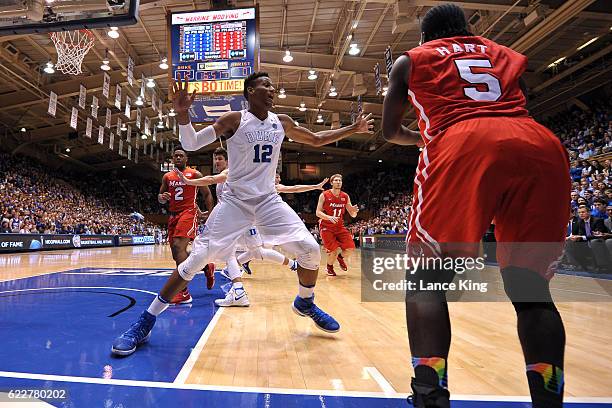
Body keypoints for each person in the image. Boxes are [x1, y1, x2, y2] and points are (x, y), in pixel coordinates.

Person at [382, 4, 570, 407]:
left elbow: (390, 130)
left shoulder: (413, 58)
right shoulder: (501, 51)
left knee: (426, 281)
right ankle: (550, 401)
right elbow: (517, 98)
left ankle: (430, 397)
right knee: (531, 290)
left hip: (462, 144)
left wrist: (427, 138)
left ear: (424, 37)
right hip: (537, 144)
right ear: (467, 29)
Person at [111, 71, 373, 356]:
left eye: (273, 85)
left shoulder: (281, 122)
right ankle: (145, 321)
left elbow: (317, 139)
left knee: (310, 250)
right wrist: (183, 114)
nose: (272, 89)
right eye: (266, 85)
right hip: (235, 202)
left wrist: (352, 128)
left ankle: (305, 302)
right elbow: (192, 144)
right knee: (195, 259)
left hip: (268, 201)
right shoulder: (235, 120)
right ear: (250, 91)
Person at [158, 147, 215, 304]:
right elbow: (160, 197)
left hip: (189, 212)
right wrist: (162, 197)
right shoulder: (167, 177)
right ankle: (206, 266)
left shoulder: (195, 174)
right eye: (175, 156)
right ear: (172, 159)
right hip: (173, 215)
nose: (178, 158)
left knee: (178, 247)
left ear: (186, 159)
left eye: (181, 156)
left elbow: (208, 194)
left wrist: (210, 213)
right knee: (177, 254)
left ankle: (183, 291)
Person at [315, 174, 359, 276]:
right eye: (336, 180)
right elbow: (318, 212)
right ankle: (329, 267)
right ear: (331, 183)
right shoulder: (324, 195)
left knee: (350, 248)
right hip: (326, 226)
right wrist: (328, 217)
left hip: (339, 226)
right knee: (333, 251)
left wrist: (354, 211)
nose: (338, 182)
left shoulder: (345, 196)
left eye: (340, 180)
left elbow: (352, 215)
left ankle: (341, 258)